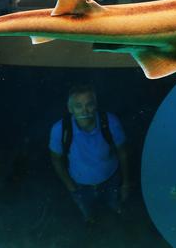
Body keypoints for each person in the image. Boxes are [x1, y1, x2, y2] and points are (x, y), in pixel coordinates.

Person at [49, 85, 130, 224]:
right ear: (70, 109)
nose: (85, 110)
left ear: (96, 105)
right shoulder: (60, 129)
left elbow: (123, 153)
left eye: (89, 104)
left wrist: (126, 184)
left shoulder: (110, 122)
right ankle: (89, 218)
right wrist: (71, 186)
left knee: (114, 200)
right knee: (85, 207)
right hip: (79, 184)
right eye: (78, 106)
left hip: (111, 178)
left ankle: (114, 209)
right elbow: (56, 159)